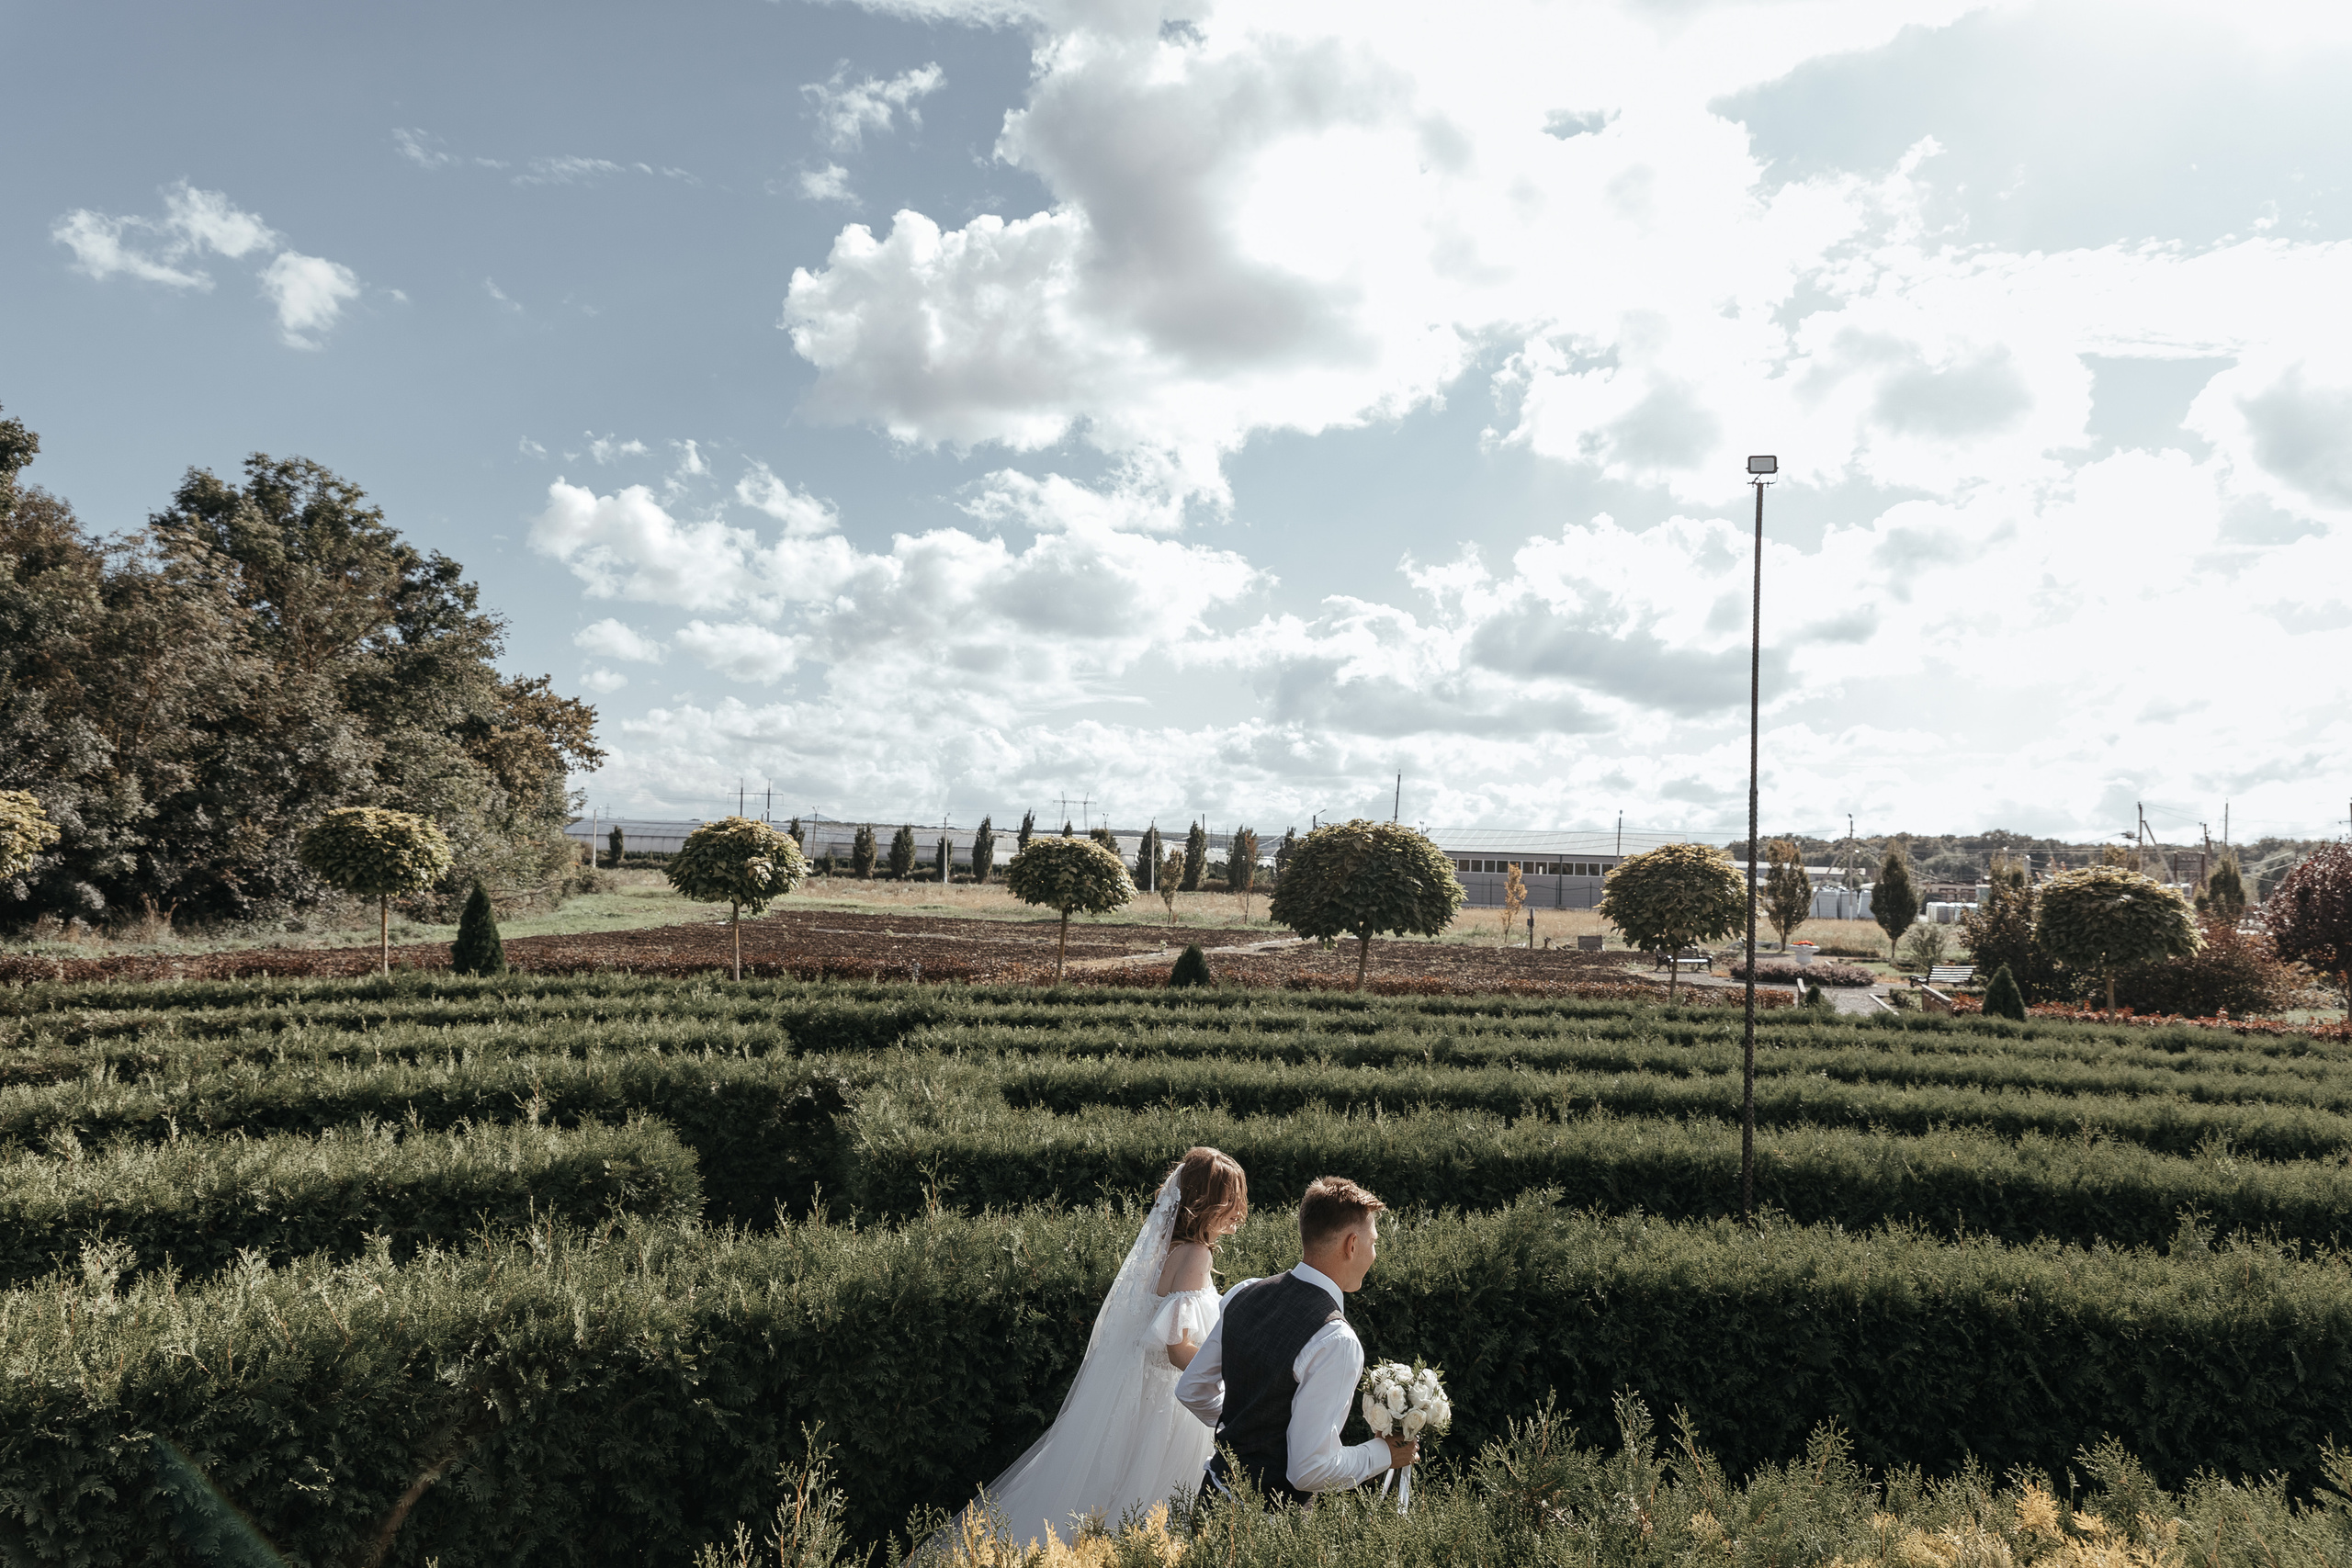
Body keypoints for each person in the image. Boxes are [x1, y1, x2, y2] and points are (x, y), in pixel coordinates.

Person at [963, 1147, 1249, 1548]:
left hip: (1133, 1391)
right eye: (1230, 1203)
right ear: (1207, 1204)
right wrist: (1230, 1372)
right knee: (1152, 1503)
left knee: (1100, 1491)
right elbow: (1175, 1348)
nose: (1238, 1214)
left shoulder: (1161, 1250)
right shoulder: (1196, 1254)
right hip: (1169, 1401)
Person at [1174, 1175, 1417, 1506]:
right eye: (1373, 1242)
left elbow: (1191, 1389)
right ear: (1352, 1245)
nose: (1374, 1253)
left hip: (1210, 1498)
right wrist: (1382, 1454)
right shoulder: (1337, 1340)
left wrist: (1248, 1424)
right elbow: (1309, 1470)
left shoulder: (1245, 1292)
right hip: (1266, 1529)